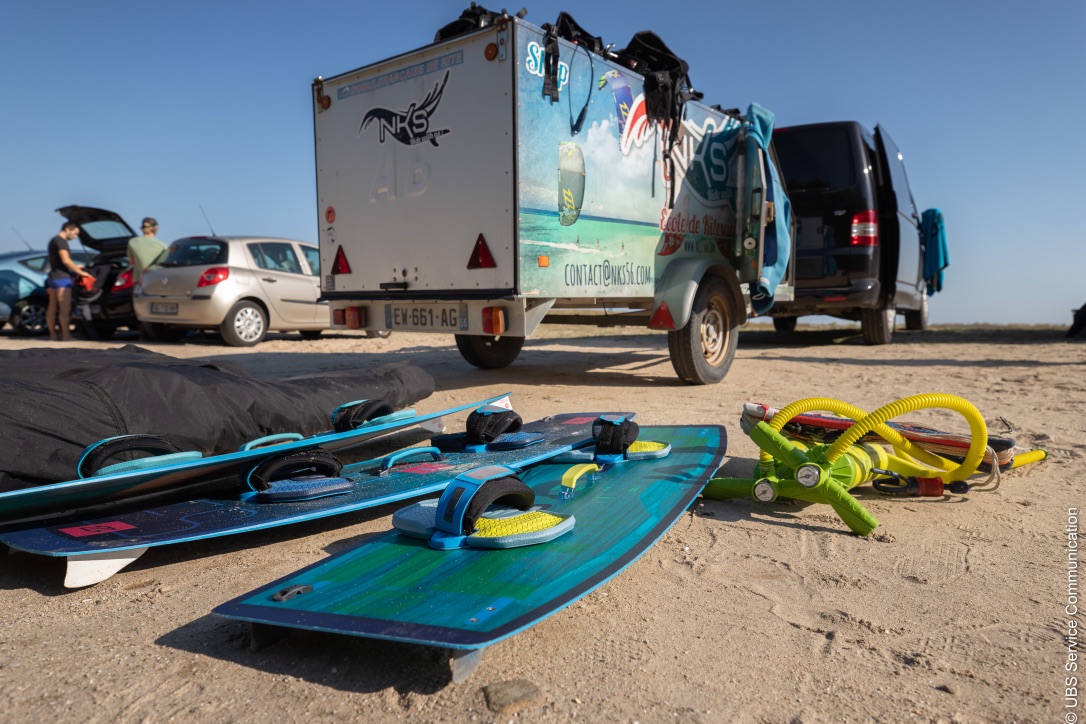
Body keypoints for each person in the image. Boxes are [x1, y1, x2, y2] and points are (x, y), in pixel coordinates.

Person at [45, 221, 94, 341]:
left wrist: (75, 265)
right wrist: (81, 272)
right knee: (65, 308)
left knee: (52, 307)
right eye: (75, 233)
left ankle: (53, 336)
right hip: (62, 279)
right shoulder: (62, 242)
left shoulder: (53, 240)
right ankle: (66, 336)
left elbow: (60, 261)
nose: (75, 236)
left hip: (52, 277)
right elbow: (66, 261)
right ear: (68, 229)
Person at [127, 216, 167, 283]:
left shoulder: (132, 242)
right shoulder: (163, 246)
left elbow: (131, 262)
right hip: (156, 281)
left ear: (142, 228)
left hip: (138, 281)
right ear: (156, 228)